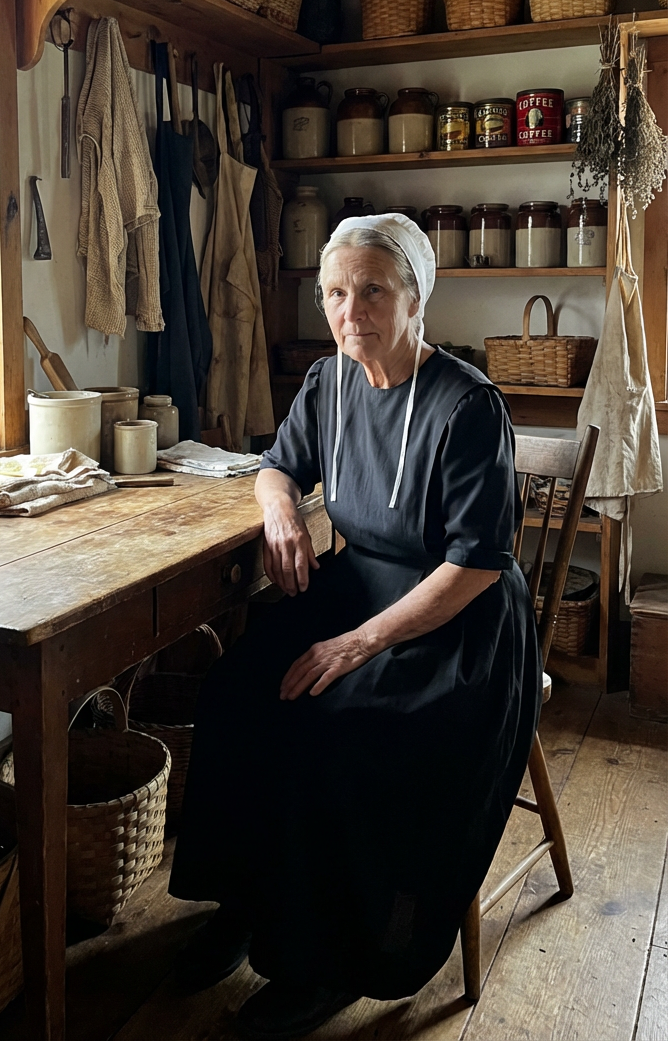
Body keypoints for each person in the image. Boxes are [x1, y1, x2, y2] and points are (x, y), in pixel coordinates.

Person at [169, 213, 542, 1040]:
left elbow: (478, 563)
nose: (349, 311)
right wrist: (283, 517)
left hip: (457, 620)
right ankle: (243, 902)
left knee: (341, 730)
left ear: (415, 299)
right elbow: (277, 468)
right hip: (358, 586)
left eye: (372, 290)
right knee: (236, 689)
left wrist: (361, 642)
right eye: (336, 292)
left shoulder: (468, 404)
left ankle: (325, 958)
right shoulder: (330, 382)